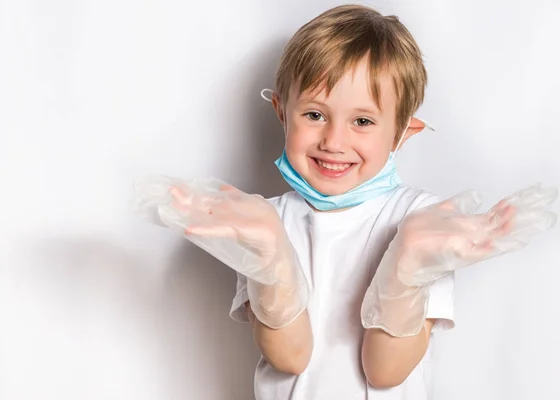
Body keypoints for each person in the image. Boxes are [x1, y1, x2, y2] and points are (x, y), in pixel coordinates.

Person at [134, 4, 557, 399]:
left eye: (363, 121)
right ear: (282, 112)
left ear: (402, 133)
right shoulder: (262, 222)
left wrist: (406, 272)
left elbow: (384, 372)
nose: (334, 141)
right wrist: (272, 262)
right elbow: (290, 357)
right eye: (314, 114)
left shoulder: (425, 225)